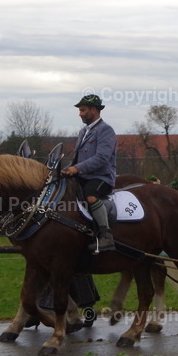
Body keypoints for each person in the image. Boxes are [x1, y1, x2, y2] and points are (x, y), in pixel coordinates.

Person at [63, 94, 118, 252]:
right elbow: (77, 159)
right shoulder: (83, 132)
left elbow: (102, 158)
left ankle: (106, 236)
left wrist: (77, 169)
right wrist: (67, 170)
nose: (79, 114)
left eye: (82, 110)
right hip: (82, 176)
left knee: (91, 196)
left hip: (101, 177)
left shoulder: (105, 130)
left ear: (93, 110)